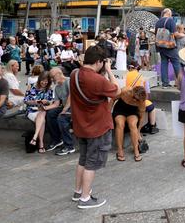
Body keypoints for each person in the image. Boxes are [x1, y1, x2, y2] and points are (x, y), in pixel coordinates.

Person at [70, 45, 120, 209]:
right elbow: (117, 90)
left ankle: (77, 192)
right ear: (99, 61)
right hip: (97, 126)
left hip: (81, 125)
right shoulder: (97, 80)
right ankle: (85, 198)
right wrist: (110, 71)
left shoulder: (74, 74)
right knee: (92, 163)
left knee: (83, 159)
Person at [113, 84, 148, 162]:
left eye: (137, 100)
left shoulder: (142, 102)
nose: (135, 100)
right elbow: (112, 99)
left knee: (133, 125)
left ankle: (136, 150)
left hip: (132, 111)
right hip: (120, 109)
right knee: (120, 124)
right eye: (134, 97)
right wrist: (108, 113)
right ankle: (120, 150)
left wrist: (139, 131)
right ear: (132, 92)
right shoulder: (125, 91)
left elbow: (142, 117)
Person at [23, 71, 55, 153]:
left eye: (46, 81)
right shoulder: (32, 87)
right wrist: (37, 102)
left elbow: (52, 102)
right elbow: (26, 101)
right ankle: (40, 143)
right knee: (43, 118)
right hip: (32, 110)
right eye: (43, 80)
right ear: (39, 79)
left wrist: (47, 101)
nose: (44, 82)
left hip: (42, 109)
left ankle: (35, 138)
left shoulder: (49, 89)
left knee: (42, 111)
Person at [46, 67, 76, 156]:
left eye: (52, 77)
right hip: (65, 107)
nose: (51, 79)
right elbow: (56, 104)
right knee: (50, 114)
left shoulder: (69, 81)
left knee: (61, 118)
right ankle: (57, 140)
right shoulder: (57, 87)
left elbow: (71, 97)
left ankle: (69, 146)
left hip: (75, 108)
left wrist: (64, 110)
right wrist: (45, 108)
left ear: (59, 74)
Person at [154, 9, 184, 87]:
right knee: (176, 63)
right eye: (170, 13)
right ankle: (182, 82)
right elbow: (175, 34)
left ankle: (165, 83)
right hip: (169, 46)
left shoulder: (158, 22)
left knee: (164, 63)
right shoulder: (170, 21)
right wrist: (182, 35)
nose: (171, 14)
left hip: (160, 46)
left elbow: (155, 34)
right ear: (168, 13)